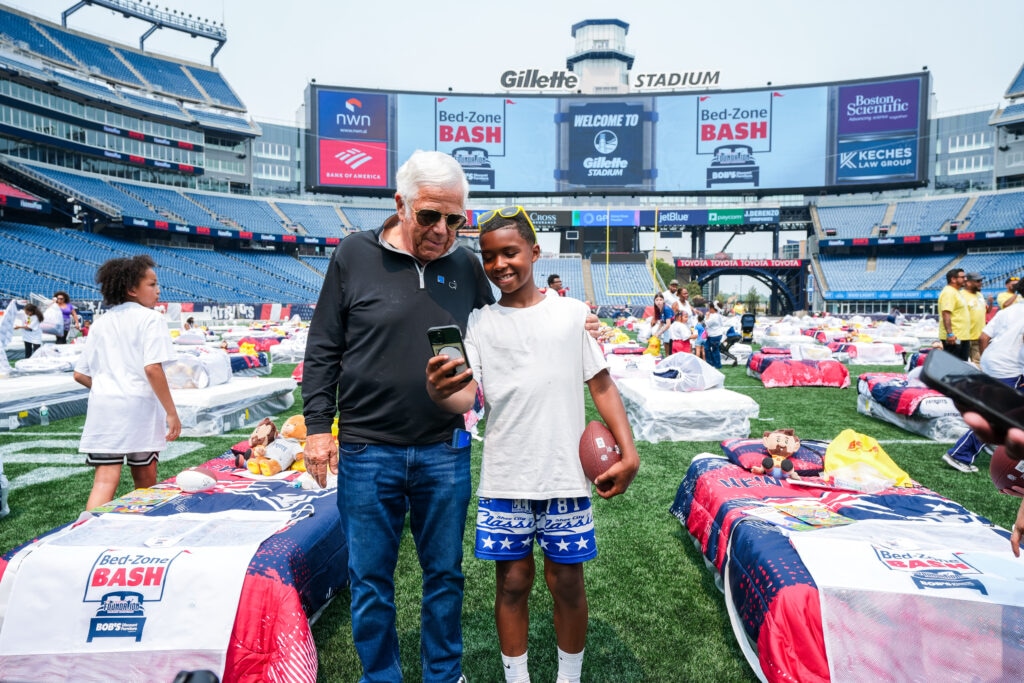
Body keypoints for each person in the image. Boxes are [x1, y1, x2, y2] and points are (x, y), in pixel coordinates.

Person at [299, 150, 494, 683]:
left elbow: (502, 328)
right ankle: (381, 677)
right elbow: (323, 348)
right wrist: (317, 429)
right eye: (429, 215)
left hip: (444, 448)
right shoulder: (353, 254)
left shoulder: (465, 265)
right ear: (400, 204)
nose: (442, 230)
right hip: (367, 449)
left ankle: (443, 675)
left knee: (445, 576)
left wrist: (567, 318)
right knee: (369, 580)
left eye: (455, 219)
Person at [425, 206, 639, 683]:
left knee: (567, 583)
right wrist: (440, 391)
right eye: (489, 256)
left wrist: (630, 452)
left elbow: (601, 384)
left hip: (564, 473)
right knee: (512, 583)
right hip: (507, 474)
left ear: (535, 252)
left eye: (510, 252)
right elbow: (467, 394)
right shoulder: (480, 322)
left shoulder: (572, 313)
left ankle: (569, 678)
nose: (499, 264)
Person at [73, 255, 180, 510]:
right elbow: (153, 368)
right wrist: (171, 412)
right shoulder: (151, 319)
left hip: (104, 409)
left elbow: (79, 374)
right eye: (152, 284)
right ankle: (145, 526)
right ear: (132, 289)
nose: (158, 290)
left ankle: (87, 530)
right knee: (145, 480)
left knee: (104, 481)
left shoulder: (101, 322)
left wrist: (107, 388)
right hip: (139, 407)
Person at [943, 277, 1024, 473]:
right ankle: (959, 454)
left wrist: (987, 360)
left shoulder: (1008, 310)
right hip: (1011, 367)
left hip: (993, 361)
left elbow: (983, 337)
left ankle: (991, 443)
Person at [937, 268, 969, 361]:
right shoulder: (949, 292)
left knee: (962, 364)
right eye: (962, 277)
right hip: (954, 338)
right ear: (953, 279)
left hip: (961, 336)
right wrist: (950, 334)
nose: (965, 279)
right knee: (953, 364)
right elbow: (946, 313)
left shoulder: (956, 292)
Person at [963, 272, 986, 363]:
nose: (980, 283)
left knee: (979, 363)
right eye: (978, 281)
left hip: (978, 336)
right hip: (964, 337)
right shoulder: (961, 296)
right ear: (968, 283)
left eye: (981, 281)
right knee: (961, 362)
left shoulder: (980, 295)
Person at [703, 300, 725, 369]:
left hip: (714, 335)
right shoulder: (717, 315)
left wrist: (707, 316)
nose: (709, 309)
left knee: (714, 350)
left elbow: (706, 323)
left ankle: (716, 365)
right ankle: (711, 363)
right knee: (707, 348)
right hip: (714, 334)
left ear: (713, 308)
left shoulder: (715, 316)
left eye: (709, 308)